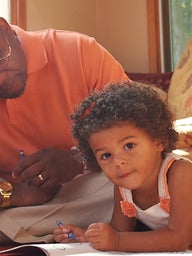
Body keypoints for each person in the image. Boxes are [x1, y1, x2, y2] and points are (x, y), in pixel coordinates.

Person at [0, 17, 129, 243]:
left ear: (4, 28)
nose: (1, 79)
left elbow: (140, 131)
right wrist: (14, 195)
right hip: (19, 203)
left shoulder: (80, 52)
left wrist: (80, 158)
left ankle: (25, 231)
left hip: (92, 185)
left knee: (146, 176)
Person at [54, 81, 192, 252]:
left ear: (159, 141)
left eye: (129, 146)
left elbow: (178, 239)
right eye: (106, 155)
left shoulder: (180, 174)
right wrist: (88, 238)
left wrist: (116, 240)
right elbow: (120, 232)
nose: (118, 162)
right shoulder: (123, 187)